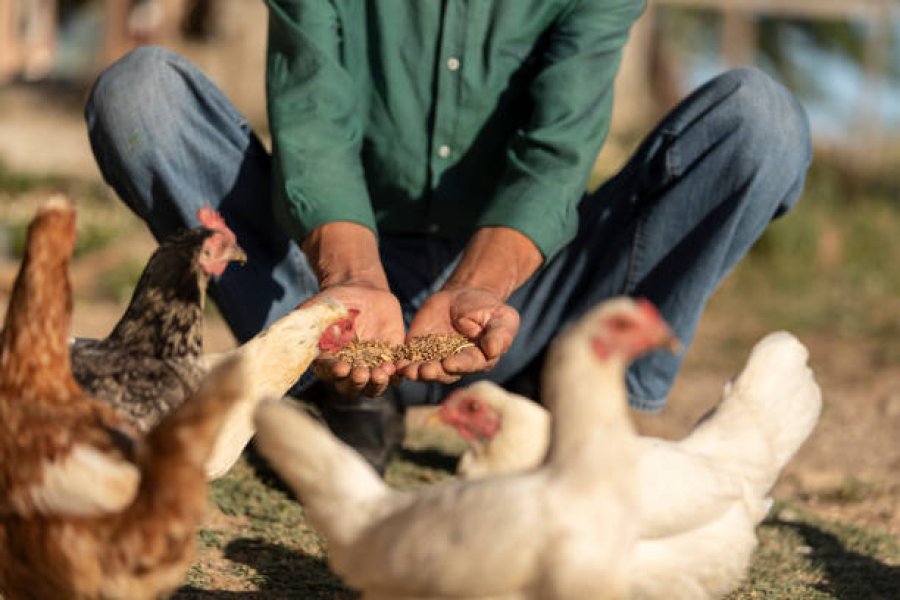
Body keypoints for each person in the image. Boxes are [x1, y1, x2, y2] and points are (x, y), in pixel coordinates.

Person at [84, 0, 812, 474]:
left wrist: (479, 286)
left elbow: (554, 155)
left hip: (518, 292)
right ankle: (333, 387)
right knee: (139, 95)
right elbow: (313, 124)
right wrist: (354, 283)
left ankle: (574, 388)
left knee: (761, 122)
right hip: (326, 280)